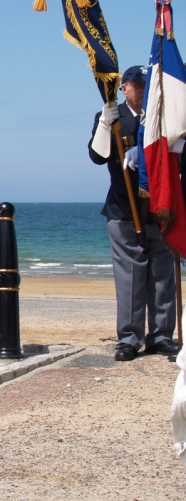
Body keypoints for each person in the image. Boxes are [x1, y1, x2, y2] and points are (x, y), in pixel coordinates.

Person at [88, 65, 179, 361]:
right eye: (138, 86)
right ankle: (129, 338)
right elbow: (97, 157)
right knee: (130, 277)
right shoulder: (115, 119)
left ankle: (162, 335)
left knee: (162, 275)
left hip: (160, 209)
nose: (143, 92)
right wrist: (104, 123)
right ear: (124, 88)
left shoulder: (167, 117)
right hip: (124, 209)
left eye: (147, 86)